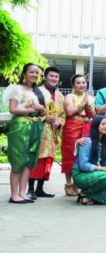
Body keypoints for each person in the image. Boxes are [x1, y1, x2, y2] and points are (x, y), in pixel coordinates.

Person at [3, 63, 46, 204]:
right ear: (25, 73)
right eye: (32, 72)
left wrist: (40, 109)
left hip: (35, 126)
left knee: (29, 160)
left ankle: (23, 192)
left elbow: (43, 112)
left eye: (37, 73)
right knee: (18, 159)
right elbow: (13, 109)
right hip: (20, 126)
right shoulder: (16, 89)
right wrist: (32, 109)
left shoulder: (38, 92)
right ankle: (14, 194)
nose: (34, 75)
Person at [28, 66, 65, 199]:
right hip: (39, 130)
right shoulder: (36, 91)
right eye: (51, 76)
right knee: (36, 158)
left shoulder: (60, 96)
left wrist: (59, 123)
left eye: (56, 77)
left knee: (48, 160)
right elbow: (29, 110)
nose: (54, 79)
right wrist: (45, 118)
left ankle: (40, 189)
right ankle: (30, 189)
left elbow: (63, 114)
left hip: (53, 133)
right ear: (45, 77)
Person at [73, 115, 106, 205]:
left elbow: (104, 163)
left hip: (94, 172)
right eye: (103, 124)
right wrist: (102, 169)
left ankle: (96, 196)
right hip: (81, 174)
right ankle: (85, 193)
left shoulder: (103, 143)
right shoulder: (86, 141)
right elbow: (83, 165)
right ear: (96, 125)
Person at [61, 74, 96, 196]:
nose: (82, 85)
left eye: (83, 82)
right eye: (78, 83)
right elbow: (70, 112)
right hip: (72, 127)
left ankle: (79, 184)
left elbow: (93, 116)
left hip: (87, 127)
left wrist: (89, 107)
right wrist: (82, 104)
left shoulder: (90, 98)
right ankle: (69, 184)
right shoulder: (69, 97)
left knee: (84, 155)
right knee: (70, 154)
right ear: (73, 85)